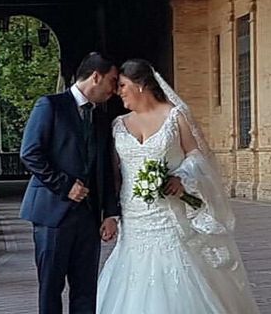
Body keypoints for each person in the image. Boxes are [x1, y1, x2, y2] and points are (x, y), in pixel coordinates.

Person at [97, 59, 260, 314]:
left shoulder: (174, 116)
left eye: (123, 85)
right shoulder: (119, 125)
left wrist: (181, 177)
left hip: (168, 212)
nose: (119, 91)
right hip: (134, 214)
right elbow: (114, 173)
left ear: (140, 85)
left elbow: (196, 155)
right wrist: (110, 212)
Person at [19, 52, 121, 314]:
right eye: (112, 81)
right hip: (53, 214)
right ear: (96, 77)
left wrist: (110, 213)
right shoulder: (50, 106)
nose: (115, 89)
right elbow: (30, 153)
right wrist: (65, 186)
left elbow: (105, 170)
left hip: (89, 218)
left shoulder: (100, 118)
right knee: (51, 288)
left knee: (86, 290)